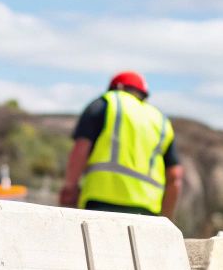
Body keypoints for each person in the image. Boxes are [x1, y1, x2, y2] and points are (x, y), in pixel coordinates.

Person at [59, 71, 185, 218]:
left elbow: (81, 149)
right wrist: (165, 219)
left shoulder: (106, 103)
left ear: (117, 87)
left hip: (101, 202)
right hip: (147, 211)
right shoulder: (161, 121)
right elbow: (175, 177)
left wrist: (70, 188)